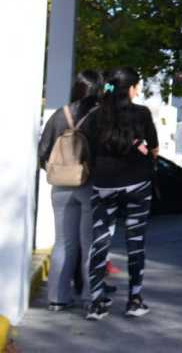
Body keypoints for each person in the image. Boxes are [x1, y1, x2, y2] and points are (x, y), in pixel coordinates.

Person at [81, 66, 157, 320]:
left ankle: (96, 303)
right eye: (138, 86)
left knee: (100, 240)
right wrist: (142, 150)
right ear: (132, 88)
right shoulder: (142, 114)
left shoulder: (95, 116)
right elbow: (153, 148)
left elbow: (88, 150)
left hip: (103, 185)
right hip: (138, 184)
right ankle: (134, 300)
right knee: (136, 241)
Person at [37, 71, 106, 311]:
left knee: (63, 243)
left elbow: (43, 153)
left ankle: (57, 298)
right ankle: (90, 297)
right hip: (89, 185)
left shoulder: (59, 115)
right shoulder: (100, 116)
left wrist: (59, 170)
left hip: (60, 187)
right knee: (89, 244)